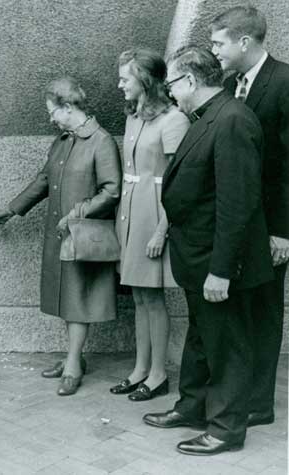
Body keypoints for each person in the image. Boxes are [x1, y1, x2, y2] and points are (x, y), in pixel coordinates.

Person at [143, 46, 273, 456]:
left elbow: (238, 203)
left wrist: (221, 270)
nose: (171, 93)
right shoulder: (211, 116)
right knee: (202, 337)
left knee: (226, 344)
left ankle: (226, 428)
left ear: (191, 81)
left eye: (172, 85)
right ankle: (194, 406)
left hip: (216, 263)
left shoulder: (231, 120)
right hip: (197, 257)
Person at [0, 77, 121, 396]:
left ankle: (74, 363)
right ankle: (72, 357)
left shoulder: (100, 141)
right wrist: (13, 208)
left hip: (82, 235)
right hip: (60, 235)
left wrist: (78, 213)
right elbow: (44, 180)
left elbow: (112, 189)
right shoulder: (62, 140)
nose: (50, 118)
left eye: (53, 112)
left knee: (77, 299)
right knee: (66, 296)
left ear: (68, 106)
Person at [210, 5, 289, 428]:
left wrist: (283, 232)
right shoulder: (229, 85)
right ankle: (236, 393)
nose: (214, 52)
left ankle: (260, 403)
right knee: (239, 310)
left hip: (271, 228)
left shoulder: (285, 81)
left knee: (264, 311)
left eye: (219, 43)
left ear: (244, 41)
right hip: (237, 222)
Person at [109, 48, 190, 401]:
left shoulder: (173, 120)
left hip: (155, 215)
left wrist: (162, 230)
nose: (119, 84)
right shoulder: (133, 116)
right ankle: (140, 369)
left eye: (125, 78)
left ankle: (158, 374)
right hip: (130, 214)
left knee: (153, 299)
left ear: (143, 79)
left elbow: (179, 181)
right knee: (140, 297)